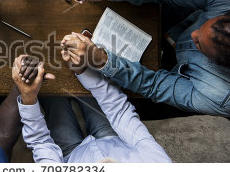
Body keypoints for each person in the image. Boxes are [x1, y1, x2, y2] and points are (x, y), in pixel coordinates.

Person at [70, 0, 230, 117]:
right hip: (181, 19)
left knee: (130, 105)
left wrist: (102, 61)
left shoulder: (219, 96)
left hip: (184, 79)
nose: (193, 35)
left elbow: (153, 85)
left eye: (199, 45)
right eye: (201, 27)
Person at [12, 55, 171, 162]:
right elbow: (120, 112)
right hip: (112, 138)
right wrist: (82, 70)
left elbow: (41, 142)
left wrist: (29, 97)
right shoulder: (159, 166)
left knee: (50, 86)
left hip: (70, 154)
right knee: (80, 74)